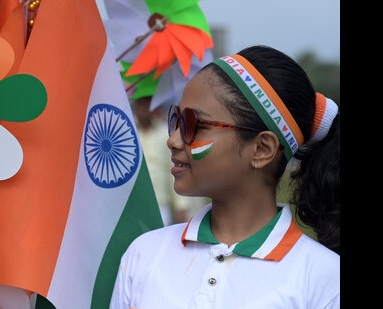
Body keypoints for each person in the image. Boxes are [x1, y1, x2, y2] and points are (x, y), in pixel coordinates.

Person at [109, 45, 340, 308]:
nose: (172, 140)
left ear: (262, 149)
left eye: (194, 125)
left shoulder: (325, 281)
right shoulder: (144, 255)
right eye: (176, 120)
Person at [132, 96, 210, 225]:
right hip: (135, 204)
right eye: (141, 105)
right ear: (135, 106)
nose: (144, 110)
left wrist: (181, 206)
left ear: (154, 107)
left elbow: (174, 167)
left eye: (148, 105)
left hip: (160, 203)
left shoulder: (164, 133)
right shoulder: (128, 133)